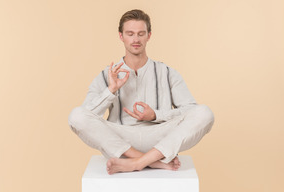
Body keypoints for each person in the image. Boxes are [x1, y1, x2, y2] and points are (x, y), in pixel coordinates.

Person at [68, 9, 214, 175]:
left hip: (160, 138)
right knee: (76, 115)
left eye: (141, 33)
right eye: (130, 34)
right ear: (121, 36)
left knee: (205, 113)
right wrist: (111, 90)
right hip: (121, 139)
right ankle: (152, 162)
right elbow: (85, 116)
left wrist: (156, 116)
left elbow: (191, 110)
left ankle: (137, 163)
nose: (136, 39)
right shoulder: (107, 74)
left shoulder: (167, 72)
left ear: (149, 36)